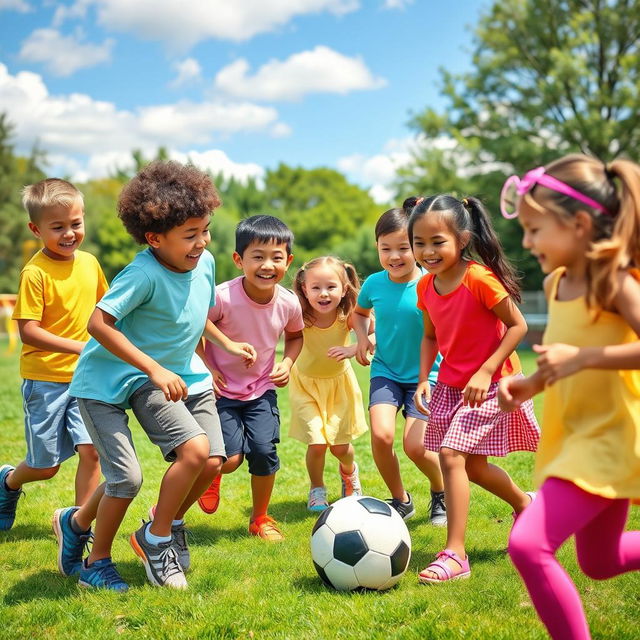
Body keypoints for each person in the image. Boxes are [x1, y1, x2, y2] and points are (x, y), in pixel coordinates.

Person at [55, 161, 255, 591]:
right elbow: (98, 324)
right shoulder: (142, 273)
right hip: (110, 382)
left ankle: (153, 528)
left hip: (173, 374)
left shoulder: (204, 262)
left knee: (210, 460)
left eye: (205, 230)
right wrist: (153, 367)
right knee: (127, 478)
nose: (201, 242)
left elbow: (190, 312)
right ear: (154, 238)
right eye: (190, 235)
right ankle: (100, 558)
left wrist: (225, 344)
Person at [498, 155, 640, 640]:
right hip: (573, 435)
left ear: (579, 225)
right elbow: (561, 358)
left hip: (604, 439)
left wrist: (582, 357)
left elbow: (579, 354)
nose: (527, 241)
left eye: (536, 229)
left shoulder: (614, 281)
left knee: (527, 545)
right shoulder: (557, 284)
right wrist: (530, 385)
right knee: (600, 562)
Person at [410, 194, 540, 584]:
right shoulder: (426, 287)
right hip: (452, 384)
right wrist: (422, 379)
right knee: (473, 465)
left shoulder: (479, 278)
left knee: (451, 455)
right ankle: (525, 504)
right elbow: (430, 337)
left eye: (437, 242)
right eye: (420, 242)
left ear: (462, 239)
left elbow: (518, 326)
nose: (427, 251)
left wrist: (485, 371)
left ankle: (455, 554)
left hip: (494, 383)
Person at [0, 178, 106, 534]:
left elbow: (105, 310)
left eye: (75, 224)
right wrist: (80, 346)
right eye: (57, 227)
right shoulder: (35, 273)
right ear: (36, 229)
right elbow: (28, 330)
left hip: (86, 378)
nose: (69, 234)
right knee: (46, 467)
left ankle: (78, 528)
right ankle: (9, 482)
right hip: (45, 380)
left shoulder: (90, 264)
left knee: (91, 452)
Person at [199, 215, 304, 541]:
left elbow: (296, 337)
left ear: (288, 261)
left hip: (261, 390)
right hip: (222, 391)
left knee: (263, 450)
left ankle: (260, 518)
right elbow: (196, 327)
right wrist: (207, 366)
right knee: (229, 460)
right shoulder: (222, 296)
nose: (267, 265)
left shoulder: (288, 302)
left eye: (276, 257)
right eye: (257, 256)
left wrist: (287, 363)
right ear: (238, 259)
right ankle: (212, 475)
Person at [352, 206, 446, 524]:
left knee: (416, 447)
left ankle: (440, 491)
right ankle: (401, 499)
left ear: (417, 248)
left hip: (426, 376)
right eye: (385, 248)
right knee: (381, 436)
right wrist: (363, 339)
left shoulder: (432, 284)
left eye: (403, 248)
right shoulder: (374, 284)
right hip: (386, 372)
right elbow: (359, 313)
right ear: (377, 247)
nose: (394, 256)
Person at [290, 256, 369, 511]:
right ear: (304, 289)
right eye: (316, 288)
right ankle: (317, 489)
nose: (323, 294)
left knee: (340, 448)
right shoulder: (299, 315)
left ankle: (349, 473)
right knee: (316, 442)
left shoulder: (347, 316)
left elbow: (378, 333)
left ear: (344, 288)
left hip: (338, 387)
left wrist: (355, 347)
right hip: (305, 386)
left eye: (331, 287)